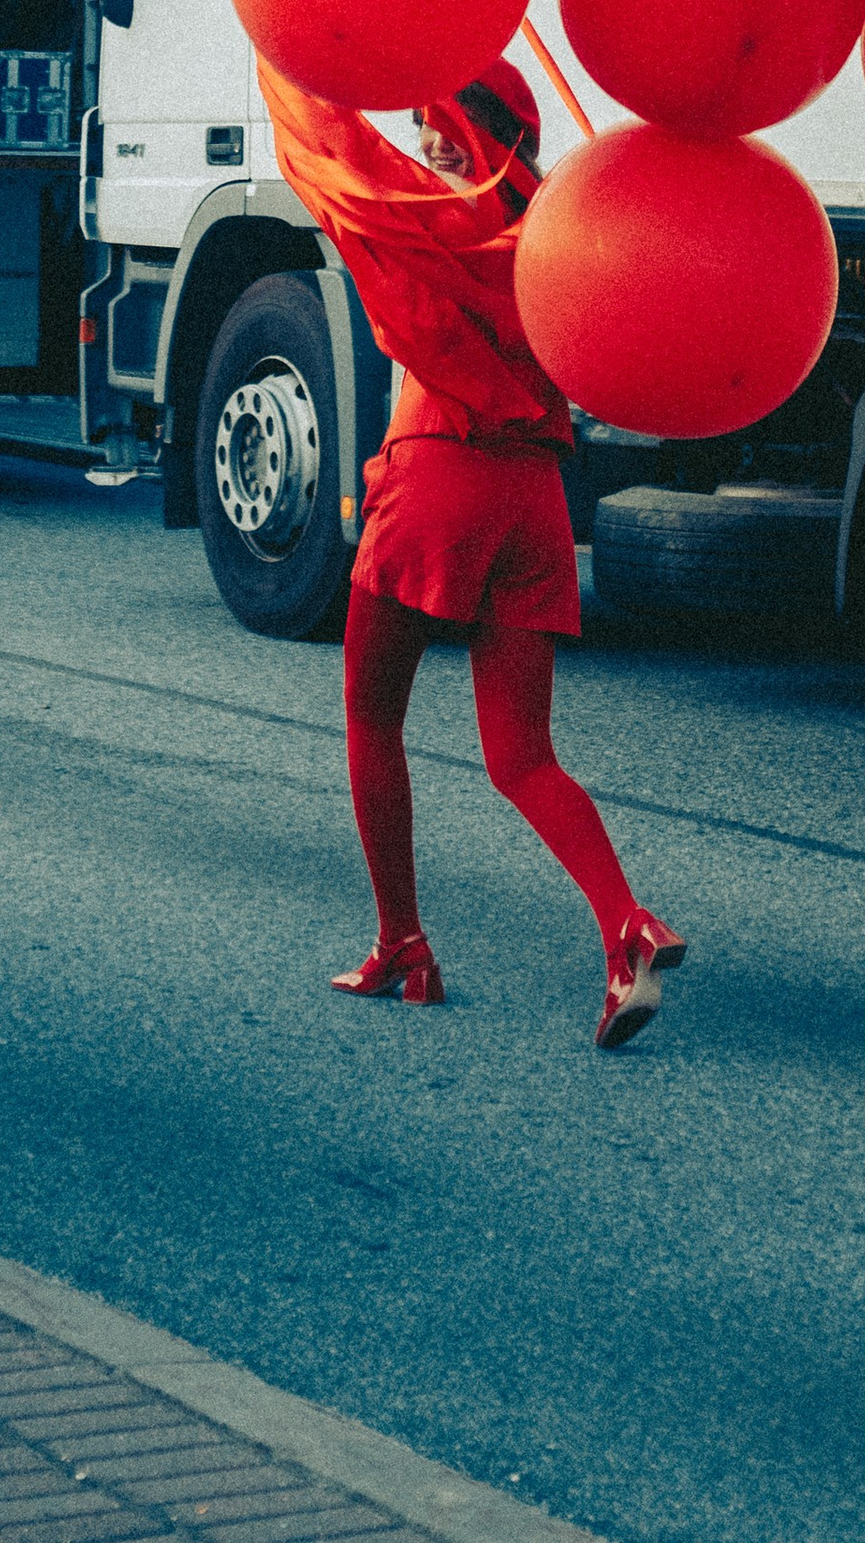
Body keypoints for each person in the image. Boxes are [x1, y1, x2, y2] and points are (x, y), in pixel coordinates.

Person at [258, 54, 686, 1051]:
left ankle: (402, 940)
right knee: (523, 755)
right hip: (534, 496)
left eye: (427, 123)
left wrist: (291, 34)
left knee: (373, 717)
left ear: (453, 128)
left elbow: (326, 139)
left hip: (436, 478)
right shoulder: (561, 232)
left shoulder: (419, 213)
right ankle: (625, 923)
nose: (418, 140)